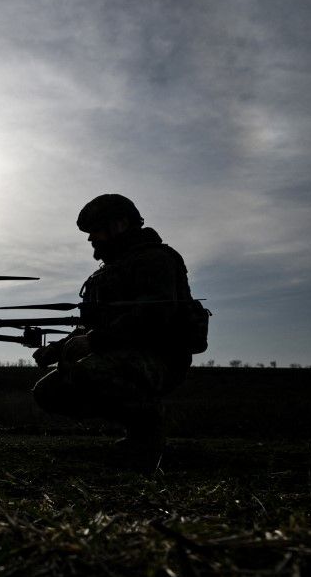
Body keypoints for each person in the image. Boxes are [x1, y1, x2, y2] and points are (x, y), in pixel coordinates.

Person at [31, 194, 198, 470]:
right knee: (49, 390)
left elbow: (153, 317)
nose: (91, 239)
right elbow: (89, 326)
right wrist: (58, 349)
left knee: (87, 372)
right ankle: (137, 429)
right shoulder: (110, 270)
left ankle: (147, 430)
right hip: (116, 355)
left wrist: (93, 341)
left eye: (95, 230)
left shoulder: (156, 260)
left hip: (161, 358)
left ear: (119, 225)